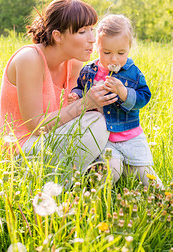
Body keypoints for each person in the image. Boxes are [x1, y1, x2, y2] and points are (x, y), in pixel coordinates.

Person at [0, 0, 118, 173]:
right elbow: (37, 126)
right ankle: (60, 186)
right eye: (82, 31)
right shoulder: (30, 59)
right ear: (58, 36)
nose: (92, 39)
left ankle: (74, 181)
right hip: (21, 149)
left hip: (52, 139)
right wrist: (86, 103)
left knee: (115, 166)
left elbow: (74, 118)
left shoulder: (74, 63)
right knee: (97, 124)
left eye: (92, 29)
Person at [68, 14, 163, 187]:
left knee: (146, 174)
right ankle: (95, 199)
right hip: (105, 138)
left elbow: (144, 97)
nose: (114, 59)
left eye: (121, 53)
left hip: (130, 135)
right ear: (97, 47)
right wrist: (76, 95)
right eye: (107, 53)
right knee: (111, 171)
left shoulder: (132, 72)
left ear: (129, 48)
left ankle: (165, 199)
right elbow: (81, 87)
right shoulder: (90, 70)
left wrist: (124, 92)